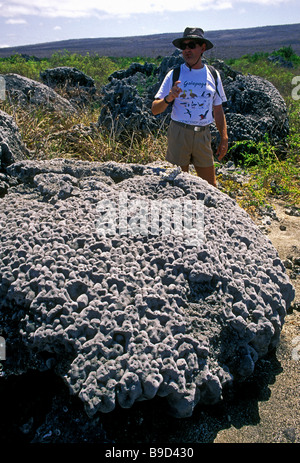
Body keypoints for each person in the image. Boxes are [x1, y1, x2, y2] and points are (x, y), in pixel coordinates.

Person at [151, 27, 228, 187]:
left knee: (210, 187)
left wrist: (224, 137)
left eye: (191, 45)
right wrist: (169, 98)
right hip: (179, 133)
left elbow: (218, 109)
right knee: (177, 184)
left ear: (202, 48)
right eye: (183, 46)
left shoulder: (213, 74)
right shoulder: (174, 74)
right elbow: (154, 109)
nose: (187, 50)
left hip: (203, 135)